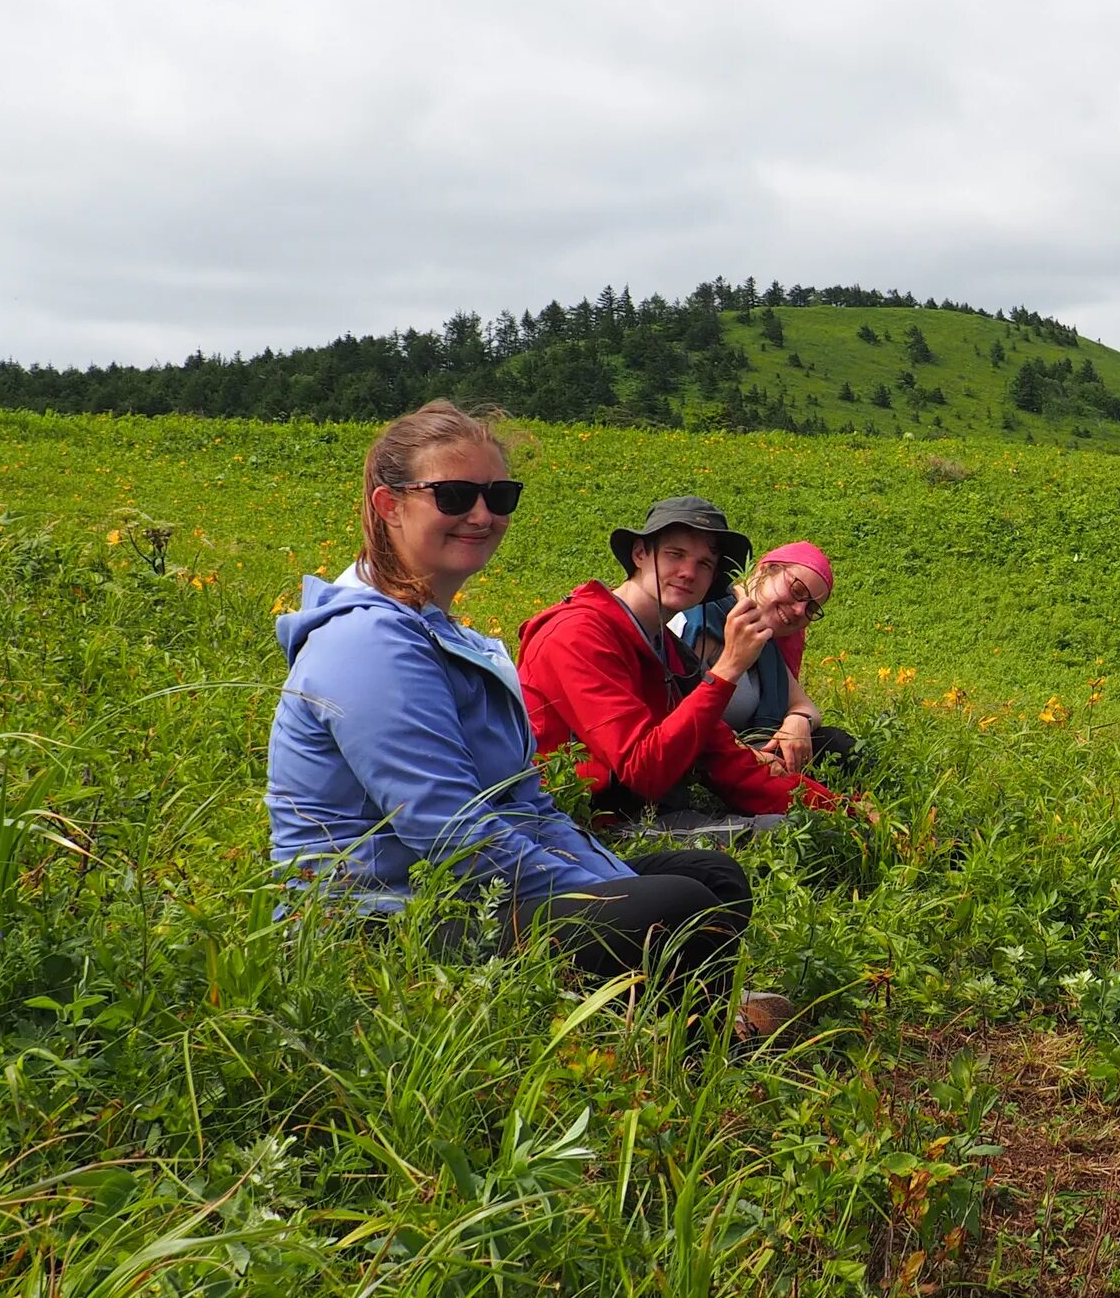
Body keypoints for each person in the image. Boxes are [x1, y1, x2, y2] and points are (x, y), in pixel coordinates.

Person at [266, 403, 794, 1040]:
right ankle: (680, 1054)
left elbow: (529, 807)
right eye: (456, 495)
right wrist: (604, 894)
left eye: (499, 495)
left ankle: (651, 1018)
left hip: (459, 885)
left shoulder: (442, 633)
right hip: (381, 916)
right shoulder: (368, 644)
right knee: (679, 905)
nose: (483, 515)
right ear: (389, 505)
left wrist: (612, 884)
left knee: (708, 877)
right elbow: (451, 832)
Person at [518, 494, 839, 830]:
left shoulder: (666, 649)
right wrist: (727, 669)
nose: (688, 572)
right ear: (640, 554)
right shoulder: (576, 634)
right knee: (727, 861)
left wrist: (849, 814)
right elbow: (643, 772)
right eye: (675, 554)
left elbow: (726, 760)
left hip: (643, 809)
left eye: (704, 564)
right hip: (572, 823)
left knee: (800, 826)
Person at [672, 539, 861, 777]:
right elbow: (677, 715)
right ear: (765, 570)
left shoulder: (764, 639)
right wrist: (745, 754)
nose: (800, 610)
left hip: (755, 756)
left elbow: (806, 707)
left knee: (838, 744)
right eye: (797, 591)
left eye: (811, 608)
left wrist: (797, 720)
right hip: (707, 758)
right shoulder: (703, 619)